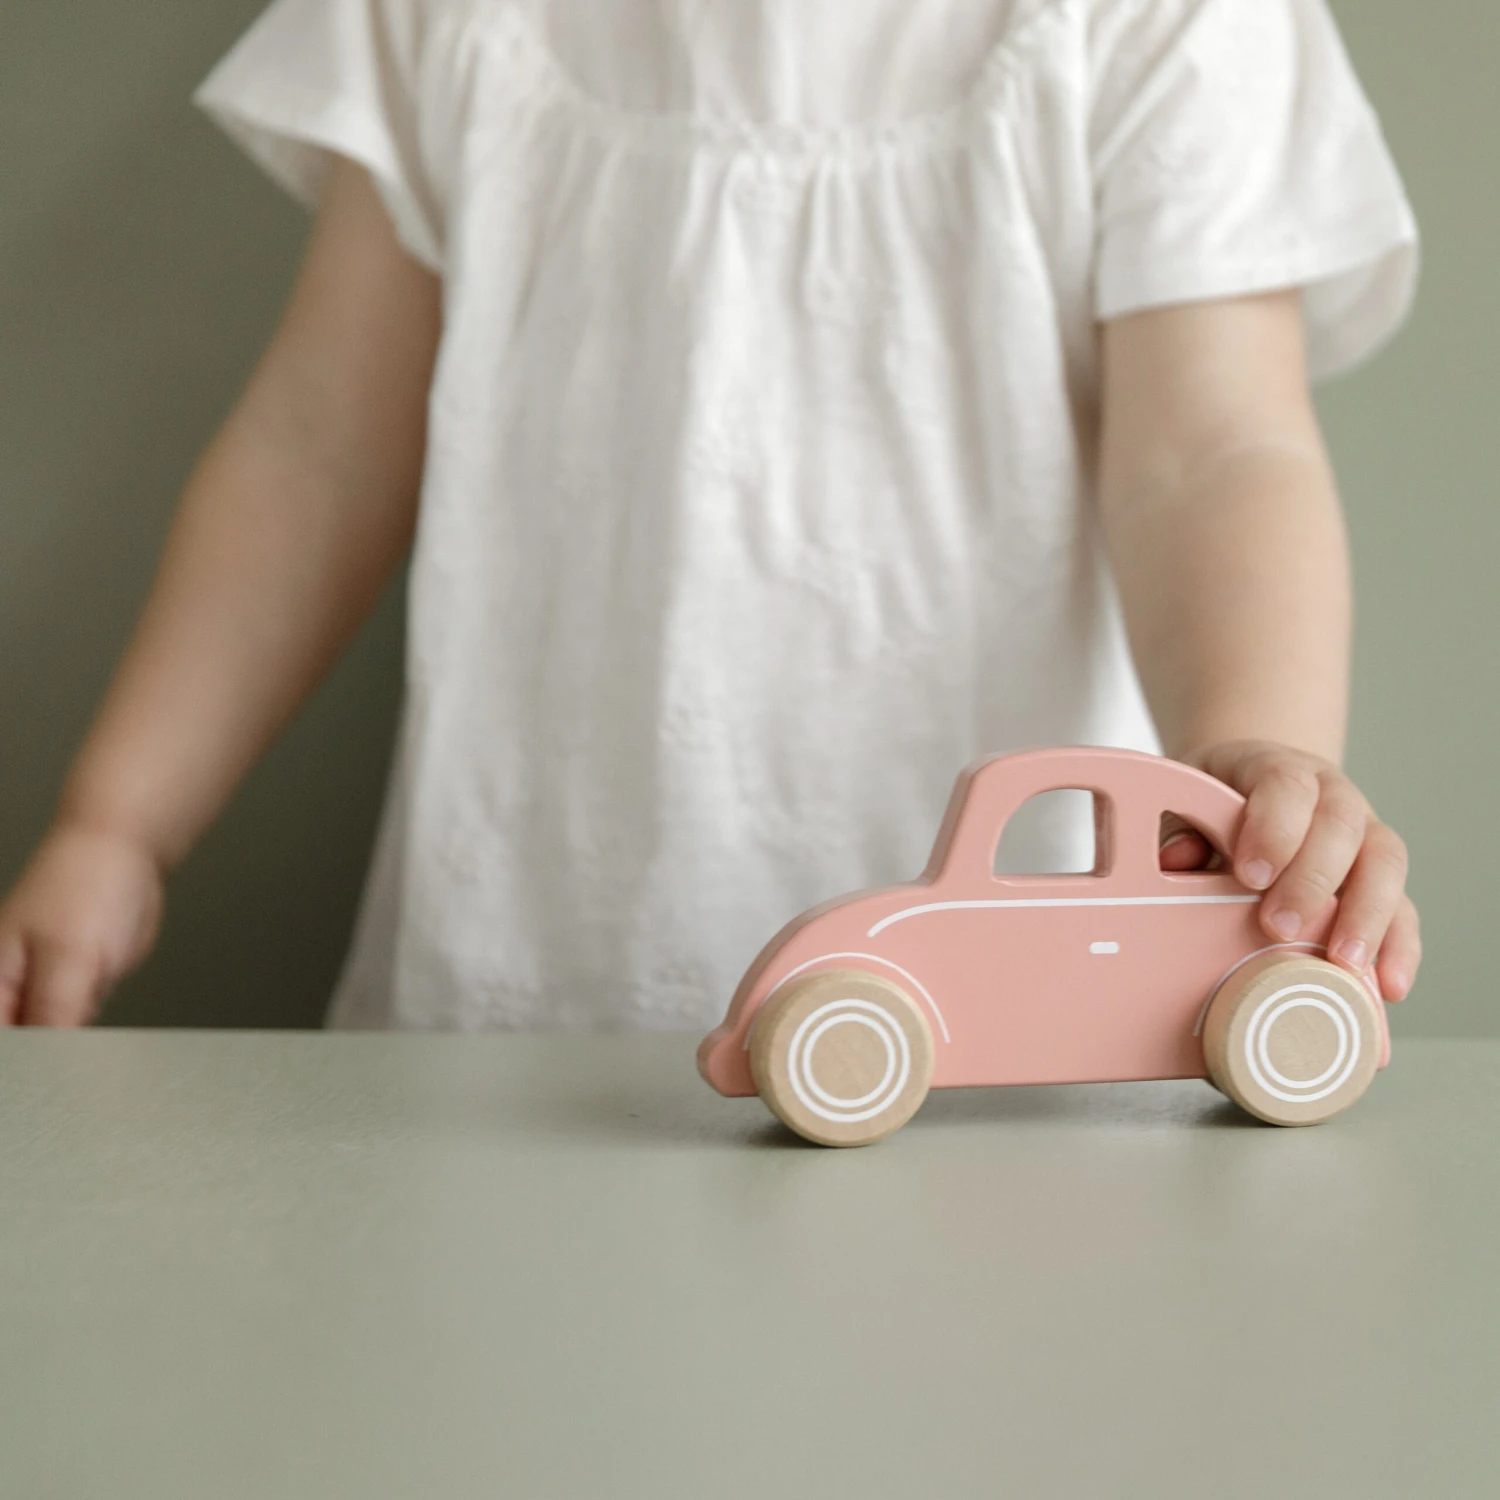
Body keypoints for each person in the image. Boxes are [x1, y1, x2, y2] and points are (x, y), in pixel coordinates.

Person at [0, 0, 1422, 1029]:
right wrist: (119, 823)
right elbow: (319, 452)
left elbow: (1216, 456)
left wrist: (1254, 767)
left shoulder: (1167, 19)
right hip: (529, 971)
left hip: (1017, 1010)